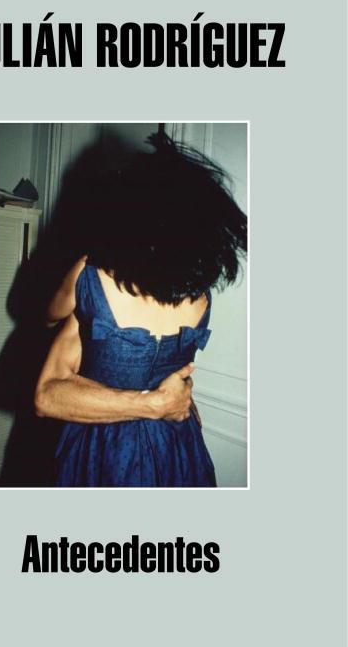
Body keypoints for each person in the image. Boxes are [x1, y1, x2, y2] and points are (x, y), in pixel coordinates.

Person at [35, 133, 247, 487]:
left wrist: (78, 307)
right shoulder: (201, 297)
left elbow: (47, 316)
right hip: (177, 446)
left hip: (102, 449)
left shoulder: (91, 276)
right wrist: (161, 402)